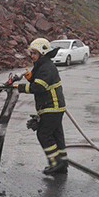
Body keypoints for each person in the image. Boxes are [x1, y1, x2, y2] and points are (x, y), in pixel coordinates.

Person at [7, 38, 68, 175]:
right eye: (31, 53)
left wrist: (19, 87)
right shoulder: (43, 66)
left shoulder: (47, 68)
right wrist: (29, 77)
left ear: (43, 53)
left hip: (51, 107)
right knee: (57, 135)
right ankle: (62, 164)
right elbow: (37, 80)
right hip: (54, 107)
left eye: (35, 53)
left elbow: (39, 87)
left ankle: (56, 163)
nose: (32, 56)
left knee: (44, 134)